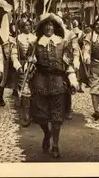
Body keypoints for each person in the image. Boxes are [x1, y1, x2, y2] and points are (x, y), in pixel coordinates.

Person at [29, 13, 79, 158]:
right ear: (42, 28)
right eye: (46, 25)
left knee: (56, 118)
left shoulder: (63, 44)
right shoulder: (35, 45)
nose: (49, 28)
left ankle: (55, 145)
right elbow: (29, 65)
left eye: (51, 25)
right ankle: (47, 133)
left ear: (55, 28)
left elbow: (68, 65)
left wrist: (73, 81)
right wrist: (29, 63)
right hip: (40, 83)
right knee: (41, 117)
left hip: (58, 83)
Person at [12, 18, 37, 127]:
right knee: (24, 90)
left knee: (34, 89)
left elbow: (38, 53)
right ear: (21, 27)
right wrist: (17, 65)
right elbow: (14, 55)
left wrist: (34, 61)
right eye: (25, 25)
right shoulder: (17, 39)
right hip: (22, 66)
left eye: (29, 25)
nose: (28, 27)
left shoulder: (35, 38)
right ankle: (26, 115)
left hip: (34, 66)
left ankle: (34, 113)